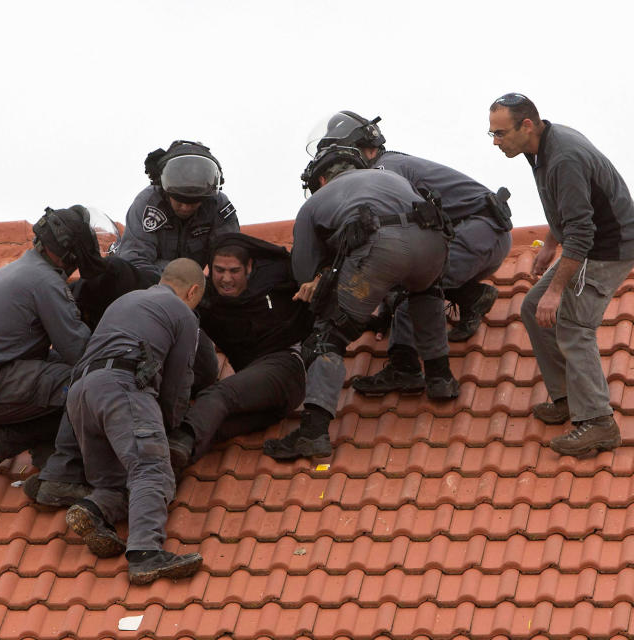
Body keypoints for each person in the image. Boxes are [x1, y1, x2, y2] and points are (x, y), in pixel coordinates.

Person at [263, 144, 457, 460]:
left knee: (328, 338)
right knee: (425, 292)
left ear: (322, 180)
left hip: (382, 248)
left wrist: (326, 287)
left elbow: (305, 274)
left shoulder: (315, 204)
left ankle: (312, 433)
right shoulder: (391, 178)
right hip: (434, 242)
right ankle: (440, 378)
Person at [309, 110, 513, 395]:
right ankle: (471, 296)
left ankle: (404, 368)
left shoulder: (382, 170)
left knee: (410, 282)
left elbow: (394, 241)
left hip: (476, 231)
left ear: (366, 150)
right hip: (482, 233)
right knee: (412, 271)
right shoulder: (389, 166)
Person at [488, 93, 634, 457]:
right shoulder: (540, 146)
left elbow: (583, 231)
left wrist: (557, 290)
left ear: (526, 125)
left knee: (573, 325)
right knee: (532, 308)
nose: (496, 142)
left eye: (500, 133)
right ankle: (568, 399)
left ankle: (597, 423)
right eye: (492, 133)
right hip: (590, 242)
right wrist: (548, 245)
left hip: (610, 248)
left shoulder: (563, 158)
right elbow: (568, 209)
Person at [62, 259, 205, 584]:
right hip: (122, 388)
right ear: (193, 291)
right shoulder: (182, 313)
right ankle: (145, 554)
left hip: (80, 392)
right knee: (152, 469)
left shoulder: (124, 301)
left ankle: (93, 511)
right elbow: (178, 381)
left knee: (116, 480)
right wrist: (166, 430)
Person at [0, 206, 99, 487]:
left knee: (65, 374)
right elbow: (79, 350)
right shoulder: (45, 282)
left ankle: (30, 445)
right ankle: (0, 443)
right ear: (69, 253)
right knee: (88, 385)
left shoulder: (23, 267)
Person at [168, 233, 313, 470]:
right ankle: (160, 477)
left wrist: (316, 280)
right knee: (212, 428)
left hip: (287, 368)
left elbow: (324, 271)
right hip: (263, 402)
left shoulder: (278, 280)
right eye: (219, 270)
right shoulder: (208, 302)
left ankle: (179, 441)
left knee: (216, 396)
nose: (226, 279)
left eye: (234, 271)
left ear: (249, 267)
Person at [117, 140, 239, 282]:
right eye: (179, 201)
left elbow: (231, 258)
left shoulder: (219, 205)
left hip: (198, 288)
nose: (186, 207)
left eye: (194, 202)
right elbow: (135, 262)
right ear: (165, 192)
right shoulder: (147, 204)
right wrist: (177, 284)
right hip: (152, 286)